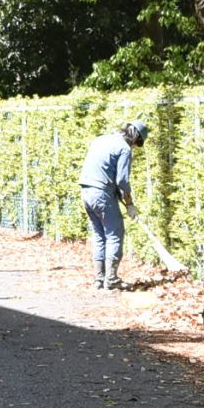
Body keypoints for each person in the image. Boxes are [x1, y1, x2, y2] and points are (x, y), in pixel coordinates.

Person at [79, 120, 149, 290]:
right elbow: (122, 180)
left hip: (86, 192)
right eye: (137, 144)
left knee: (99, 235)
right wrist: (130, 203)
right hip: (102, 194)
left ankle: (99, 279)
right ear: (135, 138)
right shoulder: (124, 149)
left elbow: (102, 169)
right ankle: (111, 279)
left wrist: (117, 194)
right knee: (114, 234)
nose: (134, 148)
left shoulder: (101, 139)